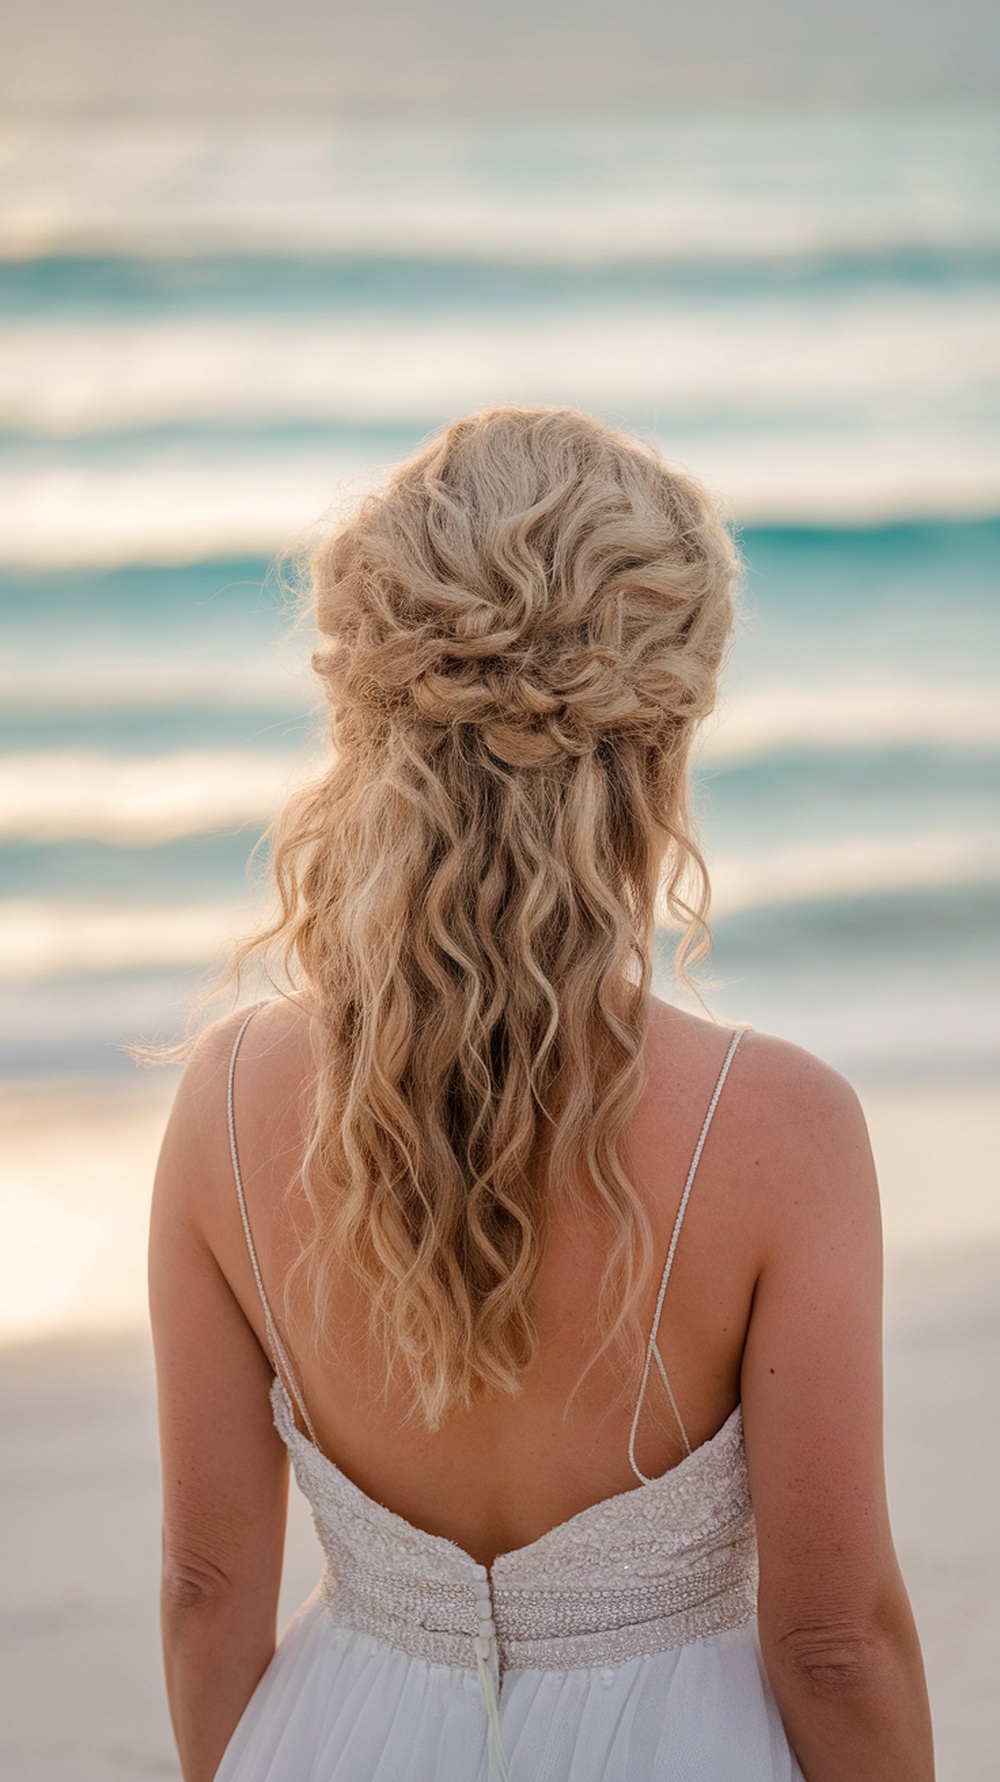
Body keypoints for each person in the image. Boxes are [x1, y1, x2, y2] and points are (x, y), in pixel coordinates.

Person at [149, 406, 934, 1782]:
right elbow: (833, 1643)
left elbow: (208, 1593)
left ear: (366, 717)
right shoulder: (782, 1128)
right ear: (663, 740)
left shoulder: (224, 1102)